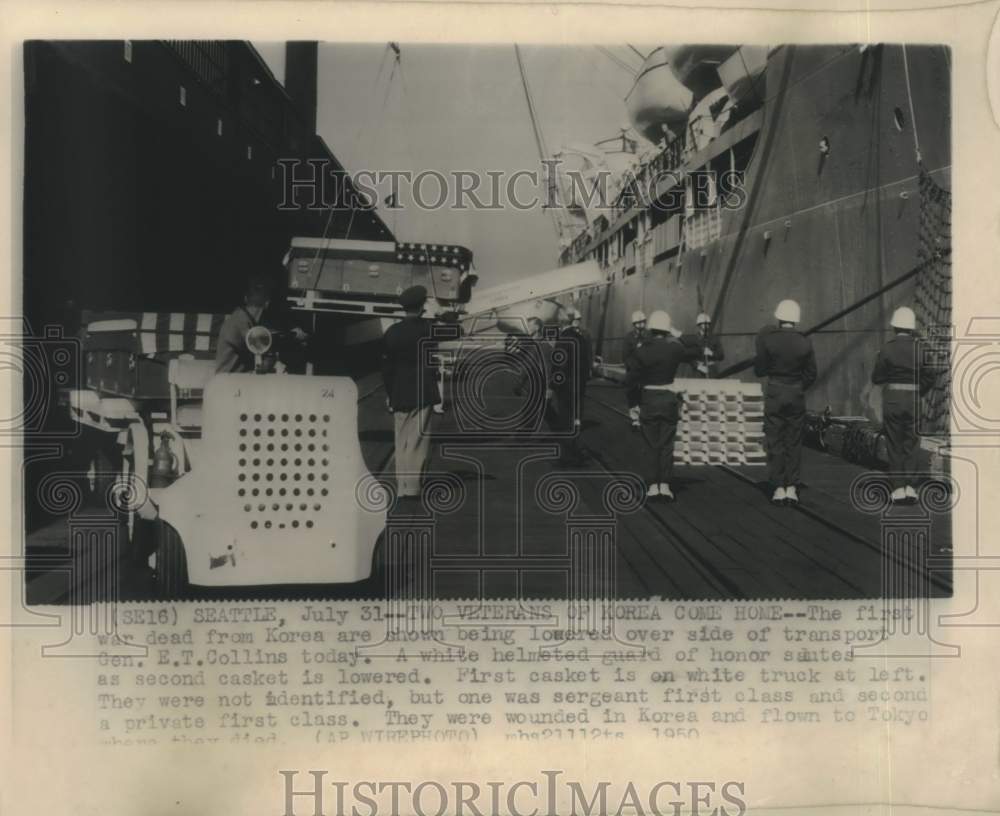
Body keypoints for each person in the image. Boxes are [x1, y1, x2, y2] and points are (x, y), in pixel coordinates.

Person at [625, 310, 702, 500]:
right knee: (667, 444)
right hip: (669, 400)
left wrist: (634, 403)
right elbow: (698, 346)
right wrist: (678, 334)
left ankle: (652, 485)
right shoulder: (675, 349)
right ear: (667, 329)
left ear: (651, 329)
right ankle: (665, 485)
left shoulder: (641, 350)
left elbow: (630, 380)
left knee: (652, 443)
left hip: (649, 399)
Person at [754, 299, 817, 505]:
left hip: (775, 391)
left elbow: (760, 370)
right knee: (794, 440)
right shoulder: (805, 342)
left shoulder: (768, 340)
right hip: (796, 393)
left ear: (779, 317)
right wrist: (797, 387)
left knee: (775, 440)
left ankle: (778, 487)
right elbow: (811, 373)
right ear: (796, 319)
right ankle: (792, 487)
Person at [871, 306, 936, 503]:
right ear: (911, 328)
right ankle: (910, 487)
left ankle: (897, 488)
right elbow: (930, 375)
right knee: (912, 443)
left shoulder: (887, 348)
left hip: (893, 399)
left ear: (895, 326)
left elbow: (877, 377)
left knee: (894, 443)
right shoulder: (921, 348)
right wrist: (919, 391)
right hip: (914, 400)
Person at [382, 285, 440, 500]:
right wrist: (442, 313)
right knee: (417, 440)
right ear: (423, 306)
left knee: (401, 440)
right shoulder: (428, 329)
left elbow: (386, 368)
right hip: (423, 391)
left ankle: (402, 487)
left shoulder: (392, 332)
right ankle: (412, 488)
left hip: (399, 391)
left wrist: (390, 393)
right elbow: (458, 330)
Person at [549, 306, 593, 466]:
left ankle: (568, 456)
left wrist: (552, 386)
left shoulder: (563, 339)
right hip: (578, 386)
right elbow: (585, 362)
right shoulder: (580, 337)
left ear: (561, 320)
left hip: (565, 387)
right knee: (574, 420)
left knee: (565, 422)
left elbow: (559, 365)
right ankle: (575, 451)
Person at [624, 310, 648, 431]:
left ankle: (644, 417)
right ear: (634, 324)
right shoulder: (629, 338)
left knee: (644, 395)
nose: (641, 325)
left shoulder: (649, 336)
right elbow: (626, 356)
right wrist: (634, 367)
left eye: (643, 322)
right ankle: (634, 418)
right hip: (634, 372)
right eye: (638, 323)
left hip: (646, 372)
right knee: (633, 395)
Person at [684, 312, 725, 378]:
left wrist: (711, 353)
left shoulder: (714, 338)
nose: (706, 325)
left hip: (711, 370)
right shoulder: (693, 339)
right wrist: (698, 366)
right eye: (704, 324)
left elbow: (721, 356)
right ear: (699, 325)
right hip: (698, 372)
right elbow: (688, 357)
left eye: (708, 324)